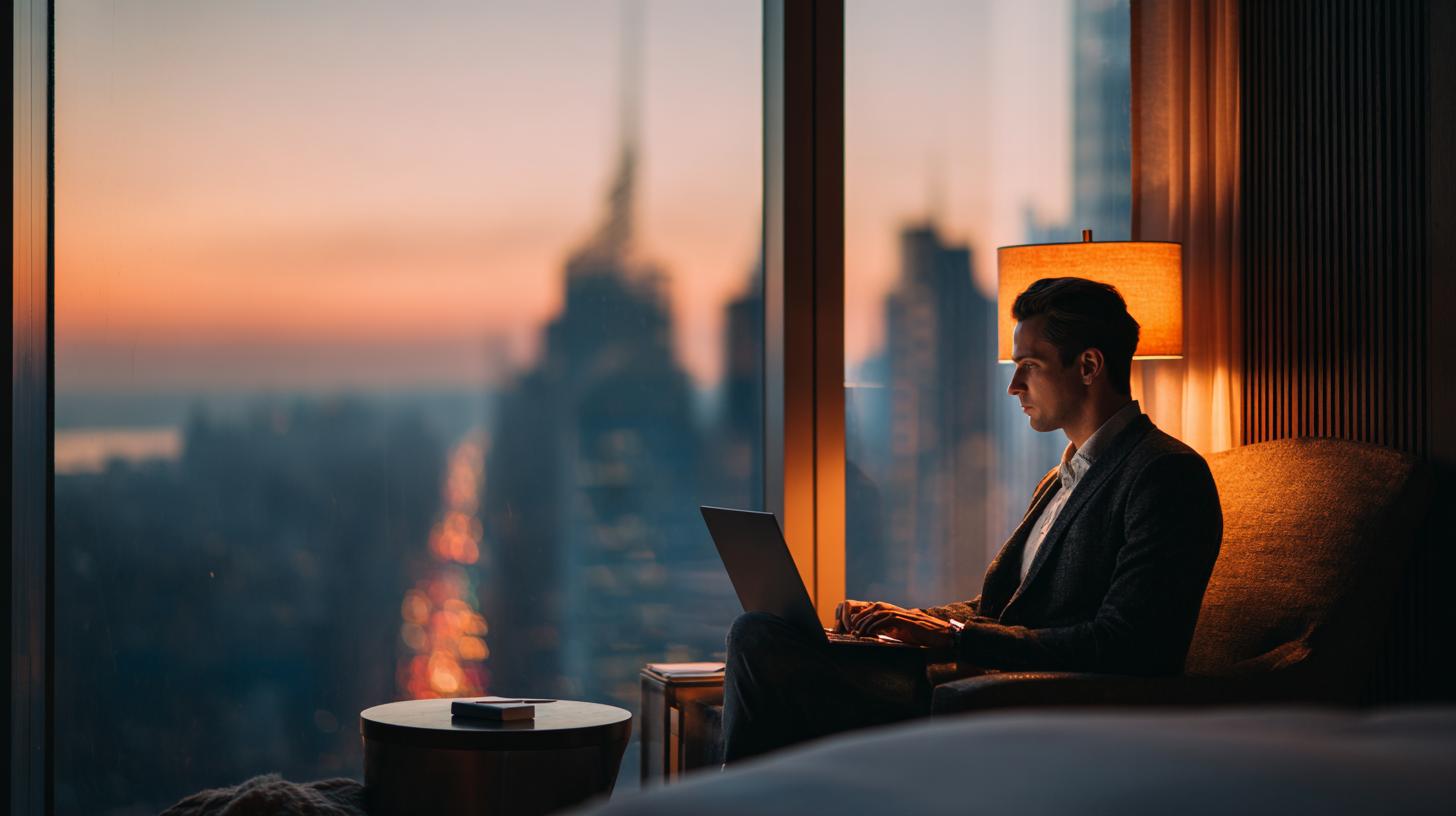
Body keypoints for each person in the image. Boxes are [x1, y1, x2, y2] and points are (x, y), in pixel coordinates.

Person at [721, 276, 1223, 762]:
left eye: (1029, 365)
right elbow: (1001, 607)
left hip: (1028, 699)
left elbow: (1128, 645)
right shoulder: (1060, 478)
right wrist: (901, 620)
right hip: (976, 675)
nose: (1013, 386)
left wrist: (955, 638)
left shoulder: (1164, 473)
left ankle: (746, 796)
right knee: (768, 633)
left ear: (1089, 366)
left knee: (761, 642)